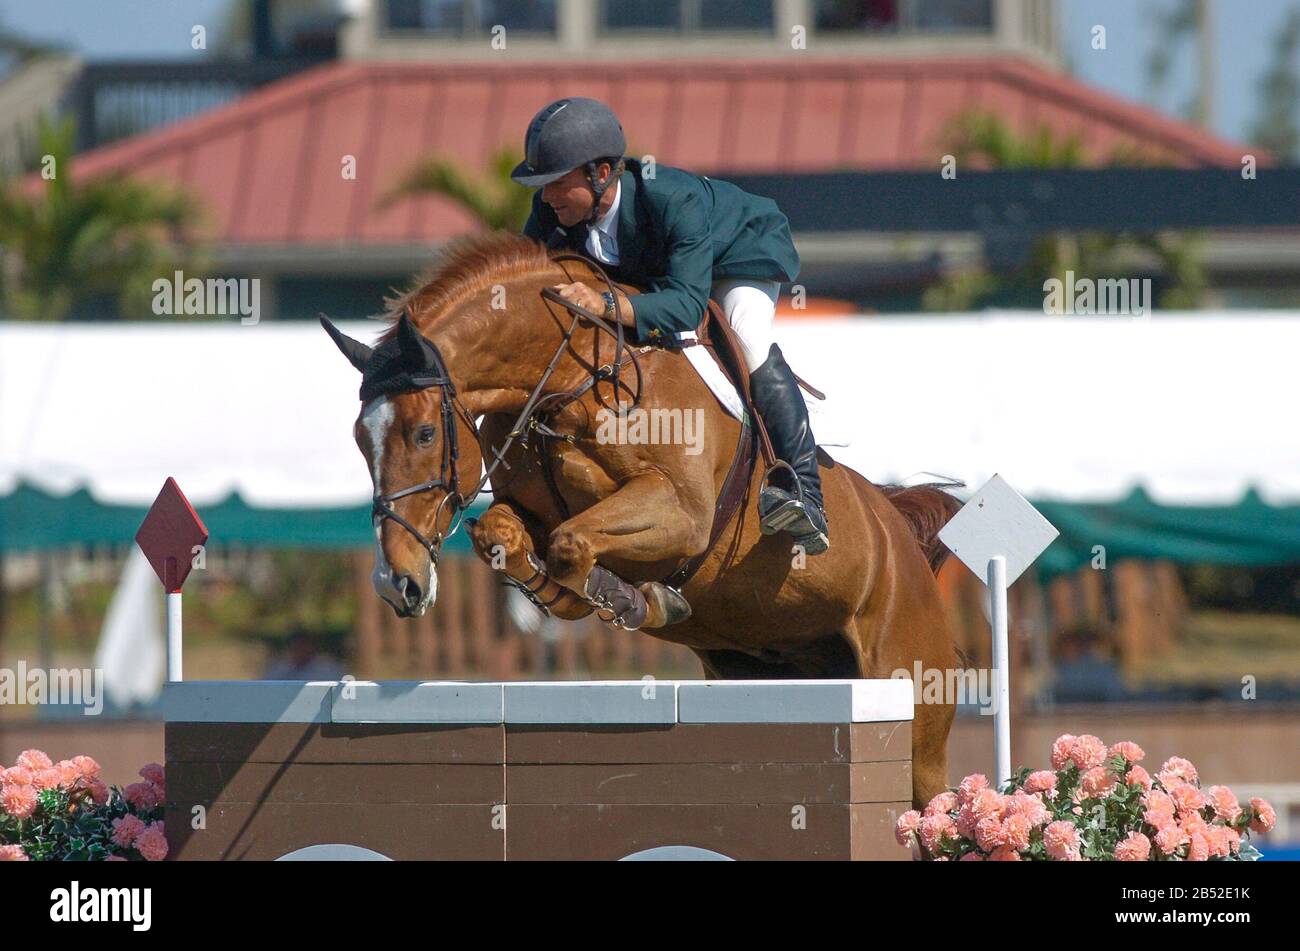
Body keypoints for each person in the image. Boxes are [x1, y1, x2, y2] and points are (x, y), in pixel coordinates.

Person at [511, 97, 828, 554]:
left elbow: (683, 306)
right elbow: (525, 280)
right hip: (667, 274)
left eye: (557, 183)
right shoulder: (554, 211)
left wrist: (603, 301)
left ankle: (806, 495)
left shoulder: (670, 198)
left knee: (747, 342)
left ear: (601, 175)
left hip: (736, 255)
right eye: (542, 186)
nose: (546, 197)